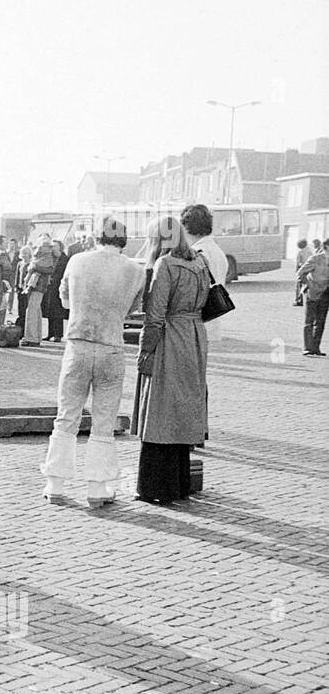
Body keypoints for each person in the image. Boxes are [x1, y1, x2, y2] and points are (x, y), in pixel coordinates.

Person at [40, 216, 144, 505]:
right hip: (111, 346)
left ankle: (55, 483)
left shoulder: (76, 261)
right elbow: (133, 309)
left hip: (78, 343)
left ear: (97, 236)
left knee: (67, 415)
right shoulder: (136, 270)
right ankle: (97, 488)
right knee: (104, 421)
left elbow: (63, 300)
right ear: (123, 240)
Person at [132, 216, 209, 504]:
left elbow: (155, 316)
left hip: (171, 336)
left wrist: (145, 350)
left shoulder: (165, 265)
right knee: (183, 408)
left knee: (160, 410)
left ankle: (156, 487)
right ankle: (179, 483)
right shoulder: (199, 263)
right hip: (195, 336)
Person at [185, 204, 228, 345]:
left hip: (194, 323)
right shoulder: (218, 251)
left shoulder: (195, 253)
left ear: (186, 227)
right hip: (212, 320)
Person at [295, 241, 329, 356]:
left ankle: (316, 348)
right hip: (313, 293)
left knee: (321, 321)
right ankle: (307, 348)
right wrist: (310, 285)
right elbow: (300, 273)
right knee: (309, 320)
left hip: (326, 293)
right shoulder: (316, 258)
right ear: (327, 247)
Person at [21, 236, 55, 345]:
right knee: (35, 311)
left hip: (37, 285)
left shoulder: (46, 257)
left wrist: (34, 268)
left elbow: (49, 269)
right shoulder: (45, 256)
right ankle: (36, 336)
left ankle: (31, 338)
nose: (39, 248)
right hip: (37, 285)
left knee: (32, 311)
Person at [42, 238, 70, 341]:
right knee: (50, 310)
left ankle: (58, 334)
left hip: (59, 286)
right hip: (50, 287)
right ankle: (50, 333)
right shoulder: (50, 258)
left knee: (58, 311)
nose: (52, 248)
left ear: (60, 247)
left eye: (55, 246)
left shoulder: (65, 259)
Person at [13, 245, 32, 327]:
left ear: (29, 254)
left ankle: (25, 328)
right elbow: (17, 276)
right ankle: (20, 327)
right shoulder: (20, 263)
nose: (24, 255)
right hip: (20, 289)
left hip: (27, 289)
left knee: (26, 309)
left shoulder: (31, 264)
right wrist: (16, 287)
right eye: (23, 253)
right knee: (20, 309)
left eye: (26, 253)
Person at [294, 238, 311, 306]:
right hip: (310, 269)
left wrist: (296, 271)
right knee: (309, 285)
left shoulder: (300, 252)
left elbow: (297, 263)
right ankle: (309, 299)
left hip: (302, 270)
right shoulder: (310, 250)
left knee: (299, 285)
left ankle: (299, 300)